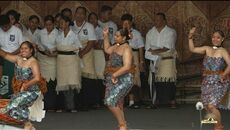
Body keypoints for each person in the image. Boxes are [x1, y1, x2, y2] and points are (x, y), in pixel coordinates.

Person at [188, 27, 230, 130]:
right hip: (207, 81)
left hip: (219, 81)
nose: (215, 39)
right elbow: (192, 49)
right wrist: (190, 37)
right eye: (213, 37)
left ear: (222, 39)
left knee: (211, 106)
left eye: (218, 38)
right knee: (207, 106)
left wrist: (224, 74)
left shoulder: (223, 51)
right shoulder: (207, 48)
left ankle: (218, 126)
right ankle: (217, 124)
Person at [0, 41, 47, 130]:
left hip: (32, 91)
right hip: (21, 91)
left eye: (26, 48)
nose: (23, 50)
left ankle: (5, 112)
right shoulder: (18, 58)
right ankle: (28, 123)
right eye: (21, 48)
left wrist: (25, 85)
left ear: (31, 50)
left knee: (11, 106)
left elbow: (37, 78)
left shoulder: (33, 62)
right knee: (13, 111)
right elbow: (5, 55)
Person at [103, 28, 135, 130]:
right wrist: (105, 36)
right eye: (115, 35)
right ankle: (123, 125)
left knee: (110, 101)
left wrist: (114, 75)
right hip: (113, 77)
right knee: (117, 102)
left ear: (124, 37)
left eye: (117, 36)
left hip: (124, 79)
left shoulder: (126, 48)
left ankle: (122, 125)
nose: (115, 37)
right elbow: (107, 49)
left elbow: (127, 66)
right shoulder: (117, 46)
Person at [145, 12, 177, 109]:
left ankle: (172, 101)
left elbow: (167, 48)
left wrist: (156, 50)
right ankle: (156, 100)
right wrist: (158, 50)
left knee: (168, 81)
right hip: (153, 59)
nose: (156, 22)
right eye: (155, 20)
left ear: (164, 21)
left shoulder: (171, 32)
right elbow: (148, 48)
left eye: (159, 20)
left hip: (167, 60)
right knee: (155, 81)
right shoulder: (150, 32)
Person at [73, 6, 97, 111]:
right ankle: (76, 103)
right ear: (75, 14)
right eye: (78, 13)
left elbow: (91, 41)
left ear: (85, 15)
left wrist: (83, 52)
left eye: (82, 13)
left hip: (87, 52)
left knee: (87, 79)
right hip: (74, 53)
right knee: (76, 78)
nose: (80, 15)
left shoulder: (89, 26)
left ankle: (86, 103)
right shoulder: (71, 25)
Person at [55, 14, 82, 112]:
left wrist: (67, 49)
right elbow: (57, 48)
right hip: (61, 61)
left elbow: (78, 48)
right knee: (62, 82)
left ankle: (72, 106)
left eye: (62, 23)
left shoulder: (74, 35)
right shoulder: (59, 35)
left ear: (67, 23)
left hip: (71, 61)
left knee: (71, 83)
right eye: (59, 23)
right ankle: (63, 106)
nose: (60, 25)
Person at [121, 13, 145, 109]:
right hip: (123, 56)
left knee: (134, 78)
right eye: (124, 23)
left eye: (127, 23)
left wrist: (141, 62)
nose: (126, 25)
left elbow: (140, 48)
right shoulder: (120, 33)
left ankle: (135, 101)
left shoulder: (136, 33)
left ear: (131, 23)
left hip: (133, 55)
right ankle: (126, 101)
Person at [37, 15, 59, 111]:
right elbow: (37, 44)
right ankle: (44, 105)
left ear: (53, 24)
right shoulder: (40, 32)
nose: (48, 26)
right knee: (43, 82)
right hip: (43, 58)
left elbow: (60, 44)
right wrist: (44, 50)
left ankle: (52, 105)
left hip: (53, 58)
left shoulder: (58, 33)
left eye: (50, 24)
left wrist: (54, 52)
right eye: (46, 25)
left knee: (52, 82)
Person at [0, 14, 25, 98]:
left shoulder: (17, 31)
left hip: (14, 59)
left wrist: (10, 54)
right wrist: (4, 54)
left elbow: (22, 46)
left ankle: (14, 100)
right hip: (2, 60)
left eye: (6, 27)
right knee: (3, 80)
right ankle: (3, 100)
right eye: (2, 27)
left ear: (10, 23)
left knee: (14, 80)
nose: (4, 29)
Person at [88, 12, 106, 108]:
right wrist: (91, 43)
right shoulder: (87, 29)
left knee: (99, 78)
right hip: (89, 55)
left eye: (94, 18)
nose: (92, 20)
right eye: (91, 18)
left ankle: (99, 100)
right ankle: (92, 100)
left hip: (98, 55)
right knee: (91, 78)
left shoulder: (100, 30)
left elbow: (98, 45)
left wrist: (90, 43)